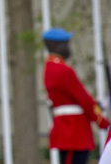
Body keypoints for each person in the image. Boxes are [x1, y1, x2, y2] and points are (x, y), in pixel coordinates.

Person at [43, 27, 109, 164]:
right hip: (73, 131)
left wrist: (100, 105)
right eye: (66, 44)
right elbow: (83, 100)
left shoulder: (51, 68)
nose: (68, 48)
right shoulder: (63, 70)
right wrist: (102, 121)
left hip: (68, 129)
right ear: (56, 45)